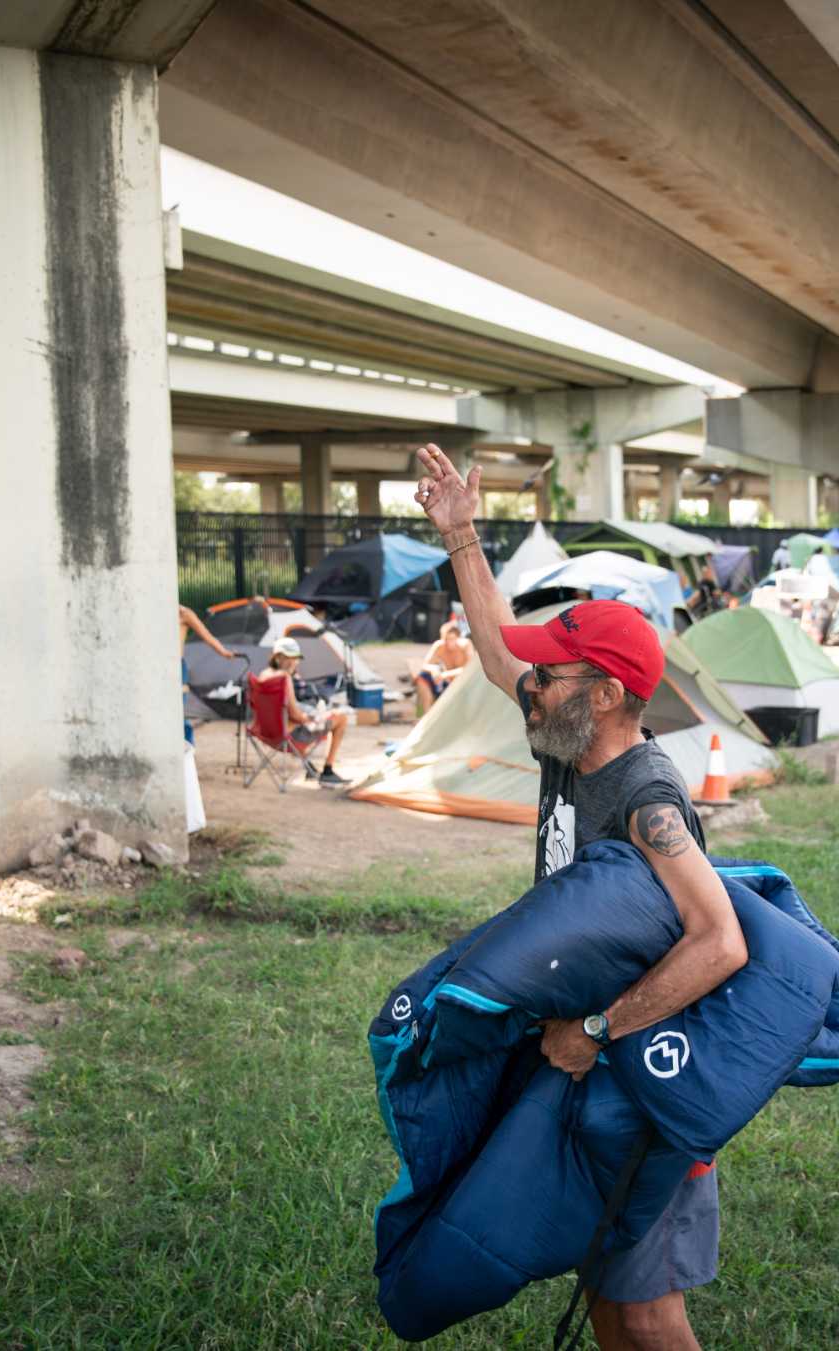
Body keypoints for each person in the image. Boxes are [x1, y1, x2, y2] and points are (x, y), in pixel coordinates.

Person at [414, 442, 745, 1351]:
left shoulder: (645, 799)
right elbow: (491, 645)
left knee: (647, 1307)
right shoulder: (566, 734)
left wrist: (595, 1031)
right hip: (586, 1069)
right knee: (606, 1291)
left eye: (551, 672)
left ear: (602, 693)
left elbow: (720, 942)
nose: (530, 681)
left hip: (642, 1075)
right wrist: (463, 535)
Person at [265, 636, 351, 785]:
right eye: (290, 658)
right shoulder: (284, 678)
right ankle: (328, 770)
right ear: (278, 658)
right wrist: (314, 718)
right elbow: (296, 715)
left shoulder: (264, 675)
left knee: (313, 717)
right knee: (341, 718)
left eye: (296, 658)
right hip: (288, 737)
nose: (294, 662)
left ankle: (309, 768)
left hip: (268, 733)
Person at [178, 604, 236, 746]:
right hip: (157, 668)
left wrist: (224, 652)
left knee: (178, 712)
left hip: (177, 668)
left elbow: (207, 636)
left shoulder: (183, 613)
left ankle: (188, 747)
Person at [414, 621, 472, 714]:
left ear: (458, 637)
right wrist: (434, 670)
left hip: (461, 682)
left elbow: (470, 669)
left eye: (452, 639)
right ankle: (424, 716)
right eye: (446, 639)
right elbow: (425, 665)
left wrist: (446, 675)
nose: (449, 642)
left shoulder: (465, 646)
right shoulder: (440, 645)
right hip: (443, 681)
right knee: (422, 678)